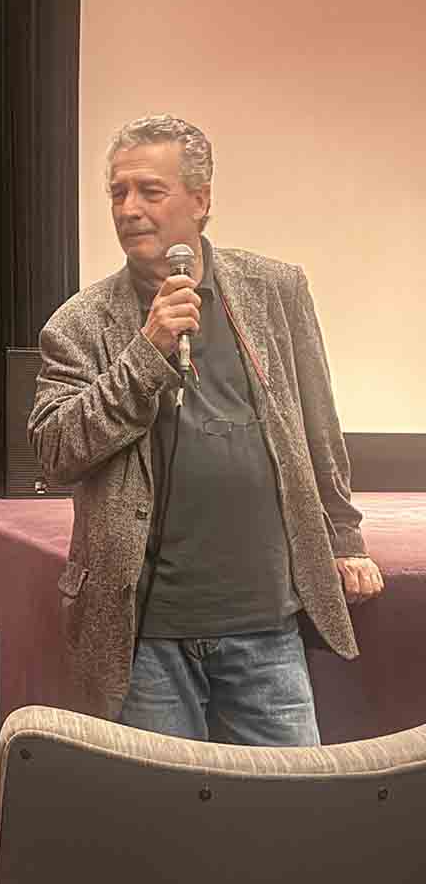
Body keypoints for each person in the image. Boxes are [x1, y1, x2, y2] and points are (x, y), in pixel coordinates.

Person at [28, 114, 384, 746]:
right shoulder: (79, 324)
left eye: (150, 191)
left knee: (289, 797)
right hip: (144, 637)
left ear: (200, 199)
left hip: (266, 622)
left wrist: (345, 536)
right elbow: (56, 452)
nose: (129, 209)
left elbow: (317, 425)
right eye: (117, 192)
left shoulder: (274, 291)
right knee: (165, 806)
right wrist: (146, 353)